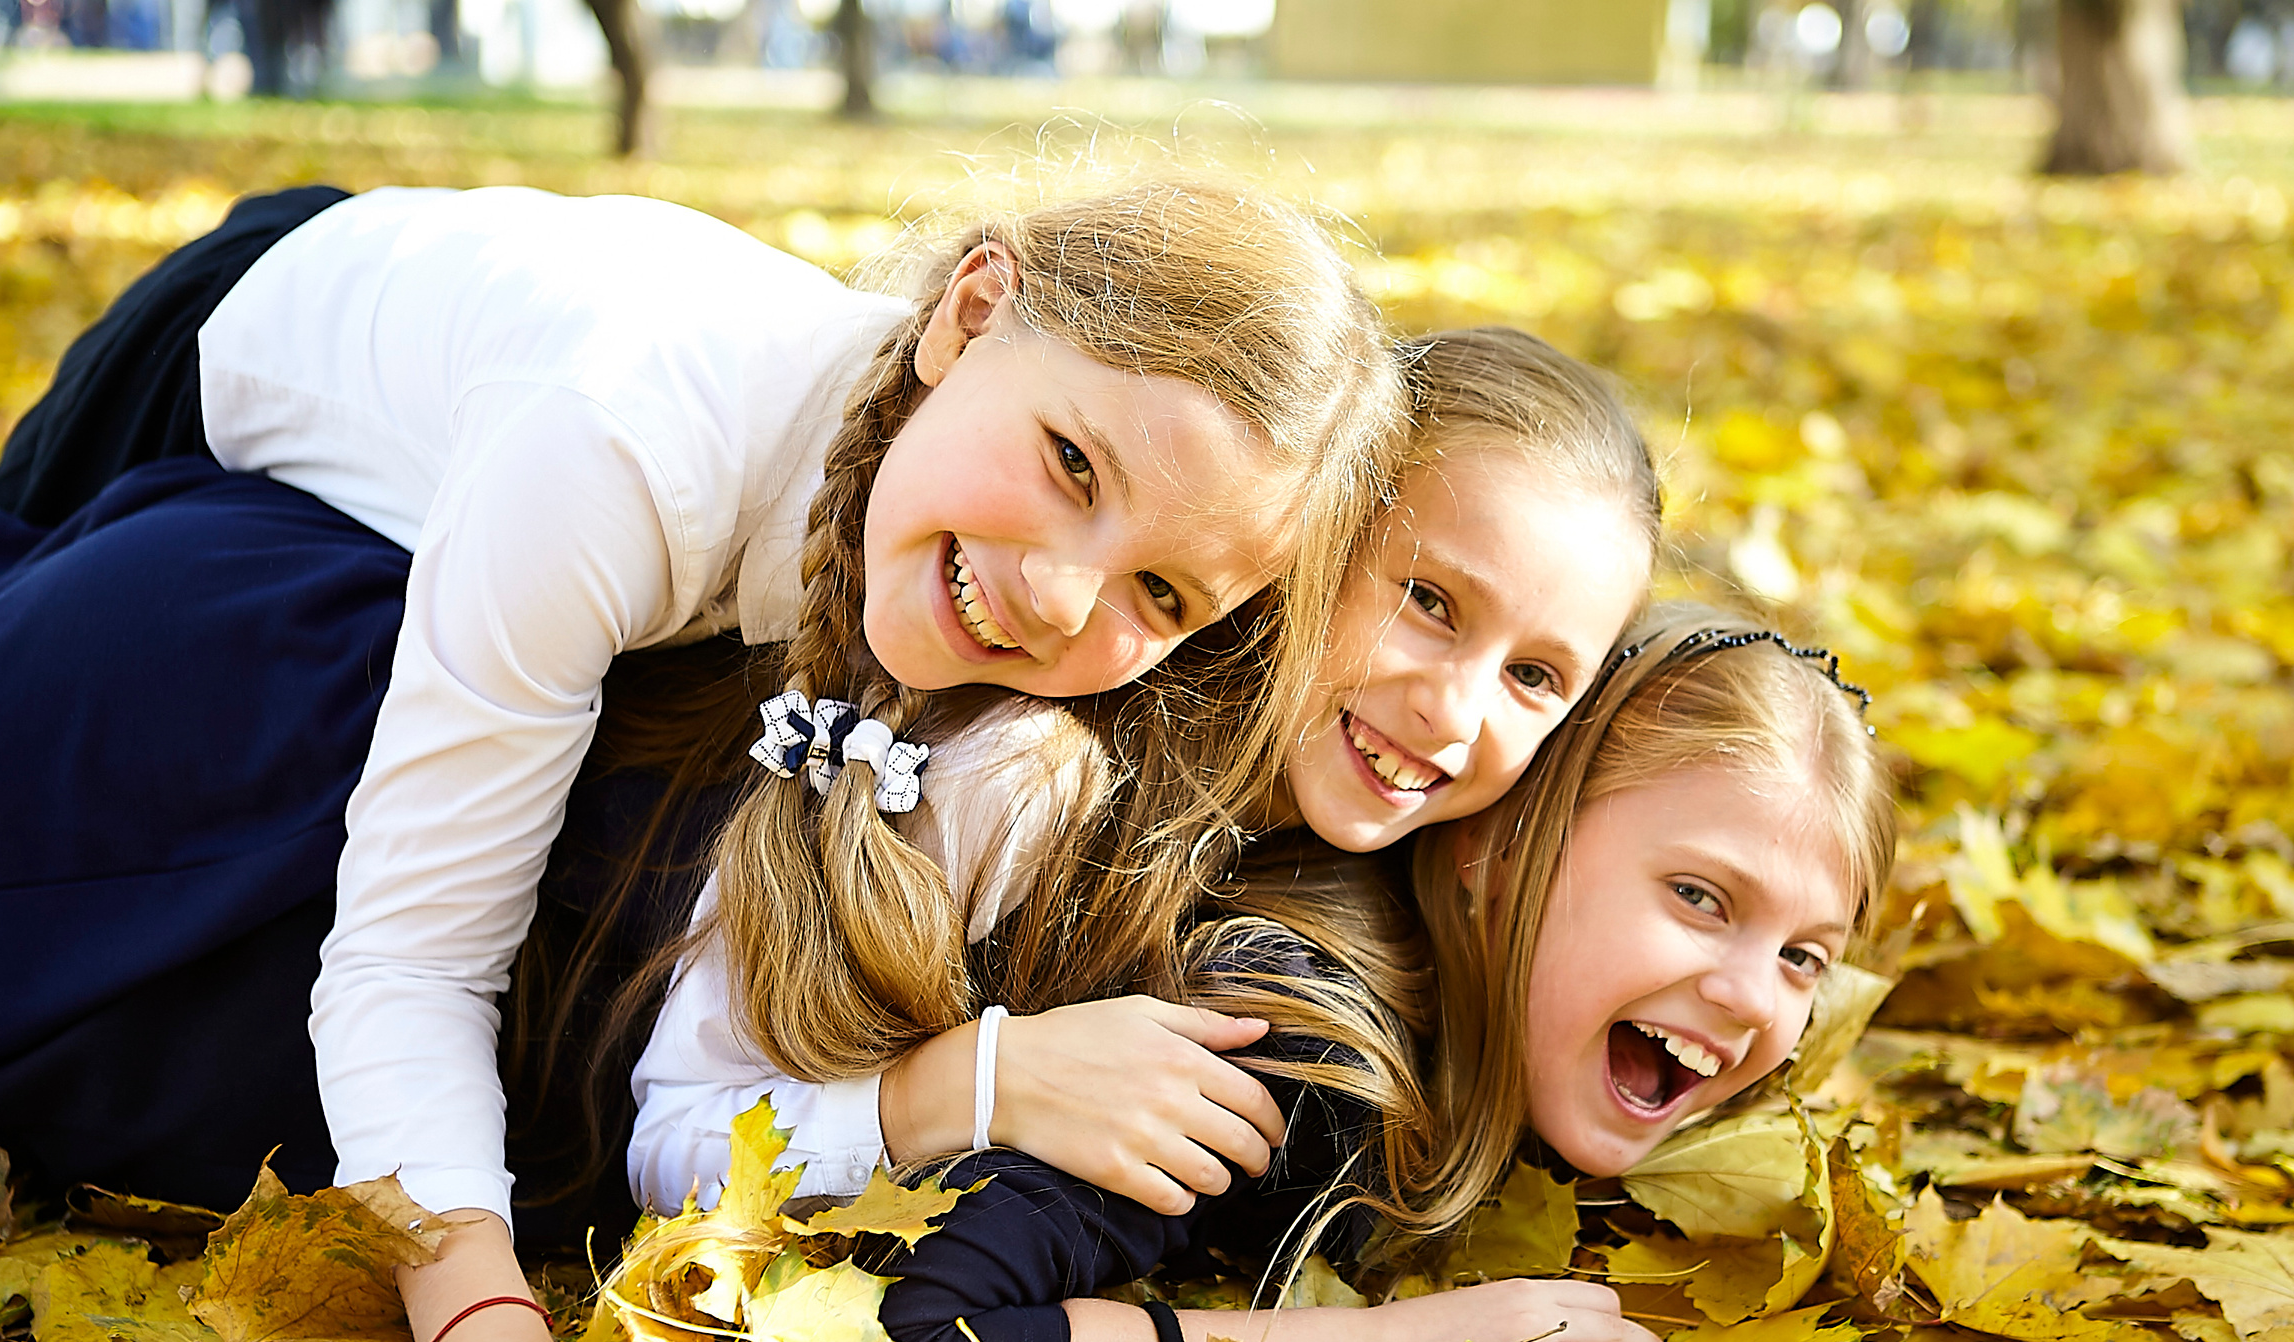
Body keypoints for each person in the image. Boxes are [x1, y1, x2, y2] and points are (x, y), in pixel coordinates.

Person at [0, 176, 1405, 1342]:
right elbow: (409, 952)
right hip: (230, 355)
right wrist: (472, 1305)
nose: (1056, 594)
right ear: (970, 313)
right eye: (1070, 462)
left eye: (1161, 586)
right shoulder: (617, 449)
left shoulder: (984, 610)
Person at [626, 324, 1661, 1223]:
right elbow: (674, 1146)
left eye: (1533, 675)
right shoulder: (1027, 778)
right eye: (1429, 603)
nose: (1455, 709)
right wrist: (981, 1086)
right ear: (1307, 547)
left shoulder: (1365, 869)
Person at [855, 604, 1896, 1342]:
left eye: (1803, 957)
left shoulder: (1558, 1062)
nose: (1754, 997)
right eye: (1699, 899)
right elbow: (920, 1332)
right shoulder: (1298, 1050)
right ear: (1503, 849)